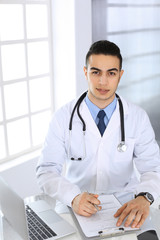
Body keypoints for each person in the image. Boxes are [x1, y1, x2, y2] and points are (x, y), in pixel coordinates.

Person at [36, 40, 160, 229]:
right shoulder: (63, 117)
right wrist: (73, 197)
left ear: (120, 75)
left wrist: (145, 197)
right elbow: (46, 170)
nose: (103, 81)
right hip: (75, 203)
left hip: (126, 204)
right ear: (86, 72)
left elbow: (153, 169)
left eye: (111, 73)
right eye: (96, 72)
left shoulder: (137, 117)